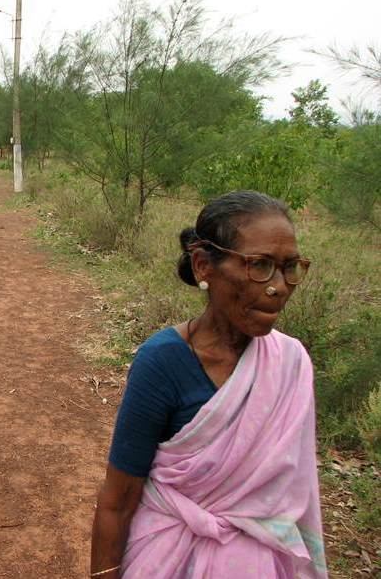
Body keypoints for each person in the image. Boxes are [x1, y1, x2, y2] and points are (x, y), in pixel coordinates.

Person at [90, 190, 326, 579]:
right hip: (165, 561)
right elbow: (118, 500)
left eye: (290, 268)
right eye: (259, 265)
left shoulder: (290, 363)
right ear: (203, 266)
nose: (279, 286)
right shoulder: (162, 363)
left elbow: (295, 493)